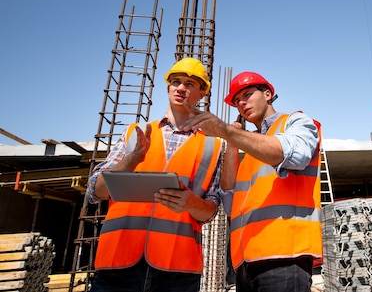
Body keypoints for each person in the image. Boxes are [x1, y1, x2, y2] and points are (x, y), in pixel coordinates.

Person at [85, 57, 225, 292]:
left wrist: (192, 203)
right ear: (168, 87)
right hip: (119, 263)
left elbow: (210, 210)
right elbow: (94, 191)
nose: (181, 88)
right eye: (176, 82)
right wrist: (131, 160)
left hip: (176, 269)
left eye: (190, 84)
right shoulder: (135, 133)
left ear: (202, 93)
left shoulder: (213, 145)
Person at [180, 71, 322, 292]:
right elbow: (229, 203)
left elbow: (297, 154)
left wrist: (227, 131)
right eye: (237, 101)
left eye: (247, 95)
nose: (242, 104)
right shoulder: (250, 151)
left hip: (285, 256)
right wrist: (232, 141)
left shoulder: (294, 122)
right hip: (246, 264)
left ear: (267, 94)